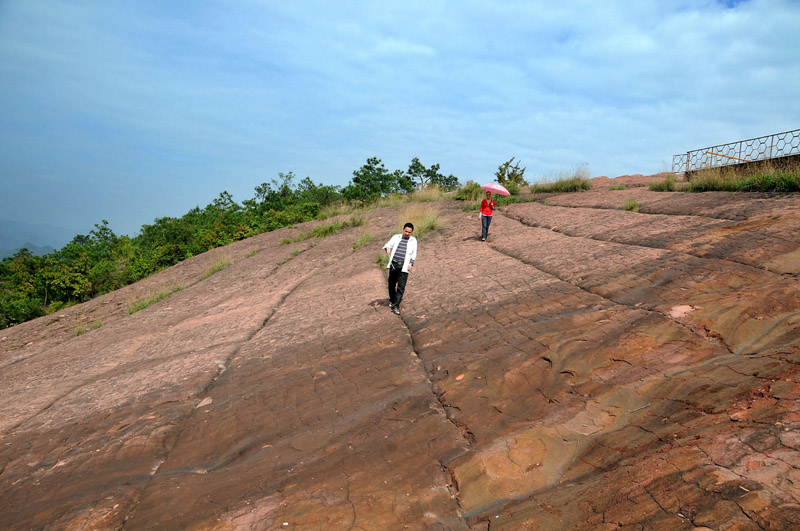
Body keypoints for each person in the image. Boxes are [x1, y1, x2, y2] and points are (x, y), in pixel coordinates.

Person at [383, 223, 417, 315]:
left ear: (411, 232)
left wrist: (411, 263)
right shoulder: (396, 237)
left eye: (409, 232)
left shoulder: (413, 240)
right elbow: (387, 245)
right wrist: (387, 249)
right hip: (394, 264)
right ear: (403, 230)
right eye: (406, 231)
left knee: (401, 286)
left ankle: (396, 305)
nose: (407, 233)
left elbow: (414, 253)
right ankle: (393, 300)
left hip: (404, 266)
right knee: (391, 283)